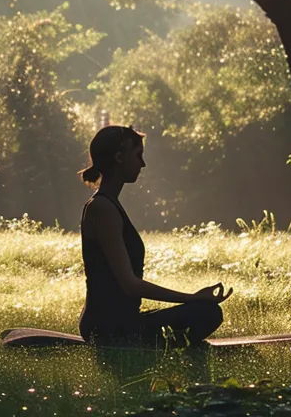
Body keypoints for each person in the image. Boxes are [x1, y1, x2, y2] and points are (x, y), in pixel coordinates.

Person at [78, 125, 228, 346]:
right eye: (138, 155)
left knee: (204, 311)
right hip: (108, 329)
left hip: (120, 322)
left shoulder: (108, 205)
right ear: (119, 158)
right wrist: (192, 297)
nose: (142, 164)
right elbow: (130, 284)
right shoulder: (102, 208)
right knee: (207, 313)